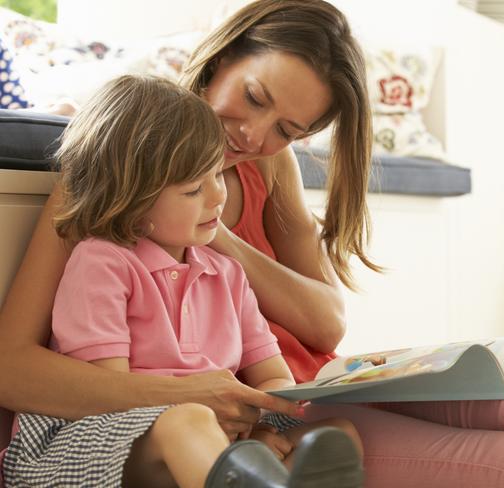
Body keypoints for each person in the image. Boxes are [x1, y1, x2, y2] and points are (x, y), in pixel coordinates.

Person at [0, 0, 504, 487]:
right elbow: (15, 369)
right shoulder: (124, 167)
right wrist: (201, 395)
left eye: (286, 128)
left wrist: (218, 239)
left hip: (298, 396)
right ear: (223, 55)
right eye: (252, 98)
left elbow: (325, 318)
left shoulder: (261, 173)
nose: (254, 136)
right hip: (224, 418)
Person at [2, 74, 363, 487]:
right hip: (98, 437)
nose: (217, 197)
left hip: (212, 431)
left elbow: (272, 377)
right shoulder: (102, 263)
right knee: (187, 423)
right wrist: (203, 410)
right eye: (194, 189)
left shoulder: (227, 273)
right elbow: (113, 394)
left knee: (338, 432)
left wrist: (261, 424)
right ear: (131, 200)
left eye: (216, 176)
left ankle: (257, 474)